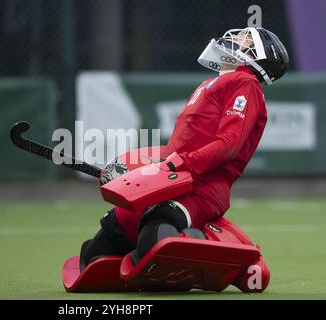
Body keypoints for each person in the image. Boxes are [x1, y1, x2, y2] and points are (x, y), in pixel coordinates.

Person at [79, 27, 289, 271]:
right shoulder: (219, 81)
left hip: (201, 187)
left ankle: (203, 250)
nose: (235, 37)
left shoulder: (246, 83)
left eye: (245, 38)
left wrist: (180, 163)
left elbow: (228, 146)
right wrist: (134, 168)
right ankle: (182, 247)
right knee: (95, 251)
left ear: (259, 54)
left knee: (155, 234)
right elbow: (176, 148)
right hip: (171, 178)